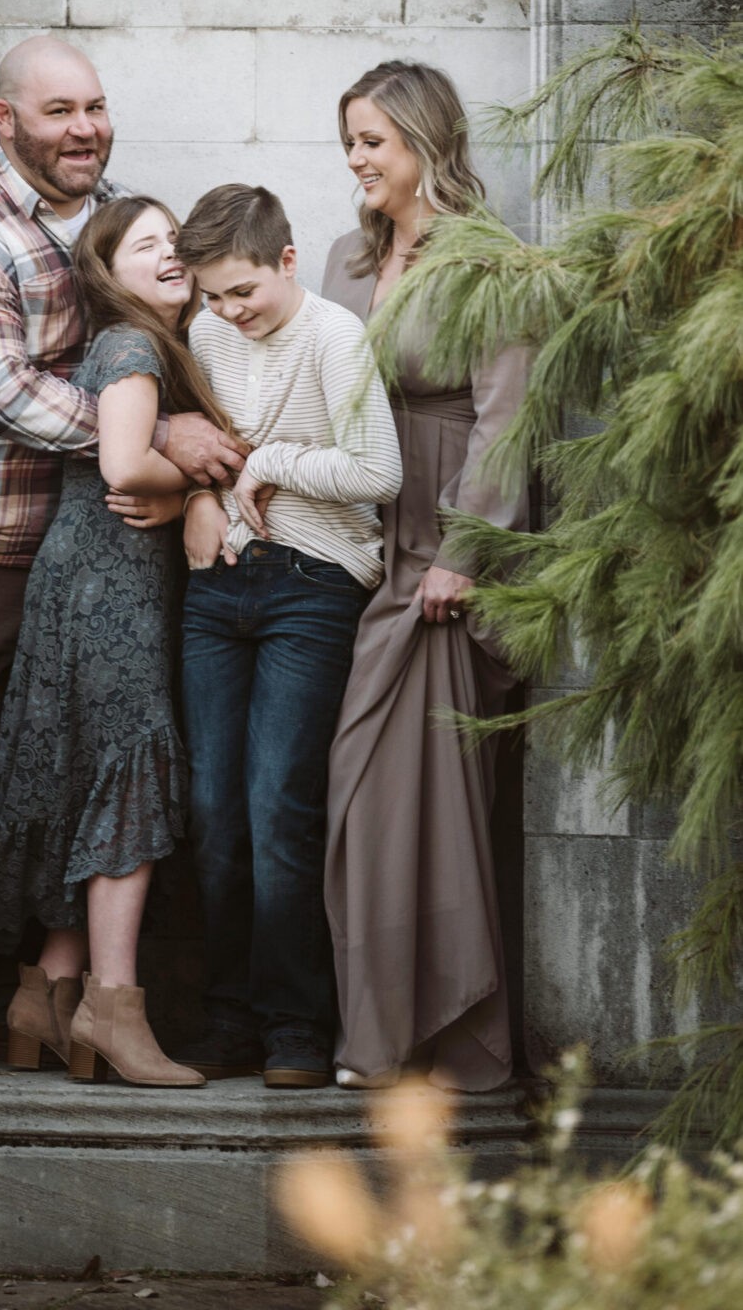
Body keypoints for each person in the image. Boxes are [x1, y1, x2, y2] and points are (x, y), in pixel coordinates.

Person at [0, 37, 246, 1072]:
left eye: (95, 106)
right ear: (7, 122)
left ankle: (45, 992)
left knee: (62, 773)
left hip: (93, 550)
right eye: (57, 112)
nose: (84, 128)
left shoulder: (125, 216)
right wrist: (158, 443)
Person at [0, 197, 219, 1088]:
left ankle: (45, 994)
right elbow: (121, 466)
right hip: (113, 586)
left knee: (85, 777)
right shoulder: (132, 345)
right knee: (130, 773)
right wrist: (196, 488)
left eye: (175, 240)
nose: (171, 253)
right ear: (109, 272)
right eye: (148, 245)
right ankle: (113, 1005)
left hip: (86, 579)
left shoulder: (139, 343)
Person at [321, 60, 530, 1092]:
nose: (355, 159)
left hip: (442, 559)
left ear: (421, 144)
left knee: (432, 800)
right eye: (349, 141)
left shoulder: (485, 261)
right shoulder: (342, 262)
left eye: (371, 141)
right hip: (357, 544)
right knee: (360, 794)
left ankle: (450, 1038)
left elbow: (506, 419)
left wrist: (462, 553)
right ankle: (380, 1026)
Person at [173, 185, 403, 1089]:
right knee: (212, 812)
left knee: (278, 809)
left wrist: (270, 462)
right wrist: (204, 493)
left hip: (313, 584)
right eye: (212, 296)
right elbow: (207, 451)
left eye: (243, 292)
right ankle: (227, 1016)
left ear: (287, 262)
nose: (228, 311)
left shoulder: (333, 337)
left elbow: (377, 473)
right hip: (216, 584)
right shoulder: (203, 335)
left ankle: (294, 1027)